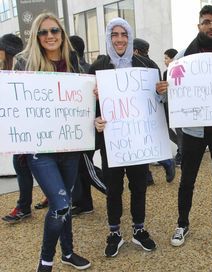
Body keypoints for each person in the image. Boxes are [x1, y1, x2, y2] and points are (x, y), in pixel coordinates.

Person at [14, 13, 91, 271]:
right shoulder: (24, 62)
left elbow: (85, 103)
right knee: (59, 205)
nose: (50, 36)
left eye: (55, 31)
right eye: (44, 32)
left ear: (62, 34)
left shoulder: (74, 62)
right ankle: (45, 262)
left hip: (69, 147)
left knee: (66, 201)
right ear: (37, 36)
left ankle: (67, 253)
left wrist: (95, 108)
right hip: (40, 150)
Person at [163, 5, 212, 247]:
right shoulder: (184, 54)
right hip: (193, 129)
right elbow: (170, 82)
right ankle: (182, 223)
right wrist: (165, 89)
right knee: (188, 178)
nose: (211, 26)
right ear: (199, 26)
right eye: (206, 21)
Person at [91, 17, 157, 257]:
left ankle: (139, 229)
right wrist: (95, 117)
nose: (119, 39)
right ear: (109, 38)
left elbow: (155, 102)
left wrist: (160, 93)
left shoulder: (146, 65)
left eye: (124, 34)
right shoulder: (98, 66)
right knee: (114, 188)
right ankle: (115, 232)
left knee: (139, 186)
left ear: (129, 37)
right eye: (114, 35)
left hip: (139, 140)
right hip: (113, 141)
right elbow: (88, 106)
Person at [0, 33, 49, 223]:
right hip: (19, 130)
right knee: (28, 168)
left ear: (7, 51)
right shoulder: (9, 69)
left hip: (28, 130)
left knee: (26, 168)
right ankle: (36, 199)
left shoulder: (19, 68)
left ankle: (24, 206)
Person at [68, 35, 107, 217]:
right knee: (81, 168)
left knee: (86, 166)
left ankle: (111, 191)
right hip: (83, 129)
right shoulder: (84, 69)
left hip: (85, 130)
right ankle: (85, 203)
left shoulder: (81, 71)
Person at [133, 38, 176, 185]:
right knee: (143, 143)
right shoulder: (153, 65)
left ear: (136, 51)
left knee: (144, 143)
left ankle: (166, 162)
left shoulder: (141, 65)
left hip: (143, 111)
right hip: (151, 111)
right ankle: (148, 176)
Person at [163, 48, 184, 166]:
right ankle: (182, 148)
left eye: (166, 58)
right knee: (170, 130)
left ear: (173, 58)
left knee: (180, 131)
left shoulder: (180, 70)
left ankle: (182, 152)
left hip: (179, 106)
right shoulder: (166, 73)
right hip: (169, 106)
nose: (164, 61)